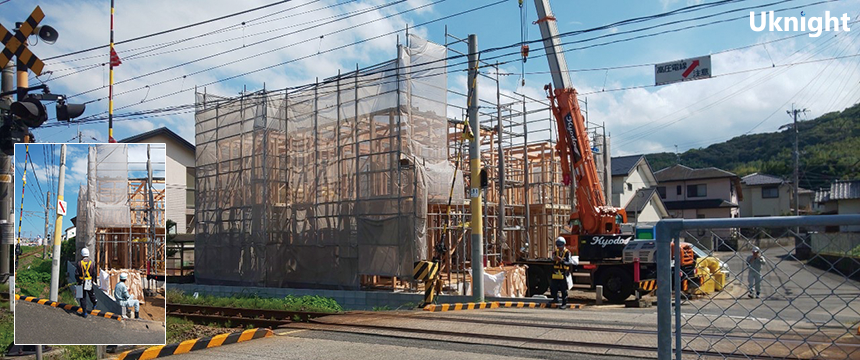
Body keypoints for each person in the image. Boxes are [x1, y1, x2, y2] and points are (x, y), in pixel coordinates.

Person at [549, 237, 575, 309]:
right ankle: (555, 298)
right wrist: (554, 259)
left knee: (563, 289)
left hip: (563, 272)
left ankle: (564, 303)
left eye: (560, 246)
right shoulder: (555, 252)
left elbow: (569, 262)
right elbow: (552, 260)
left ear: (564, 245)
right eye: (558, 246)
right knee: (553, 286)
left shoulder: (567, 252)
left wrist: (562, 261)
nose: (559, 248)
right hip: (556, 272)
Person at [75, 248, 98, 318]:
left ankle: (84, 312)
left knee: (82, 297)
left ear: (82, 255)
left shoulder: (79, 263)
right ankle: (94, 303)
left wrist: (78, 281)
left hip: (81, 281)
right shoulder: (91, 263)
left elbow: (76, 274)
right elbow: (94, 273)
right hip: (89, 281)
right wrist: (93, 280)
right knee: (91, 294)